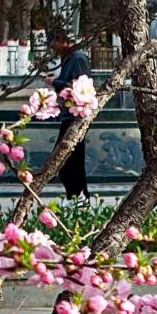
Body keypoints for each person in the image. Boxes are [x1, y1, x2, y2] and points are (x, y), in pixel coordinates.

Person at [44, 30, 91, 198]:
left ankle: (78, 196)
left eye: (54, 45)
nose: (53, 49)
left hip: (75, 118)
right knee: (68, 161)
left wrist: (54, 82)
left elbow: (77, 86)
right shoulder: (69, 58)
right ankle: (77, 196)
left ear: (62, 40)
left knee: (68, 160)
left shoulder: (77, 58)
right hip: (68, 115)